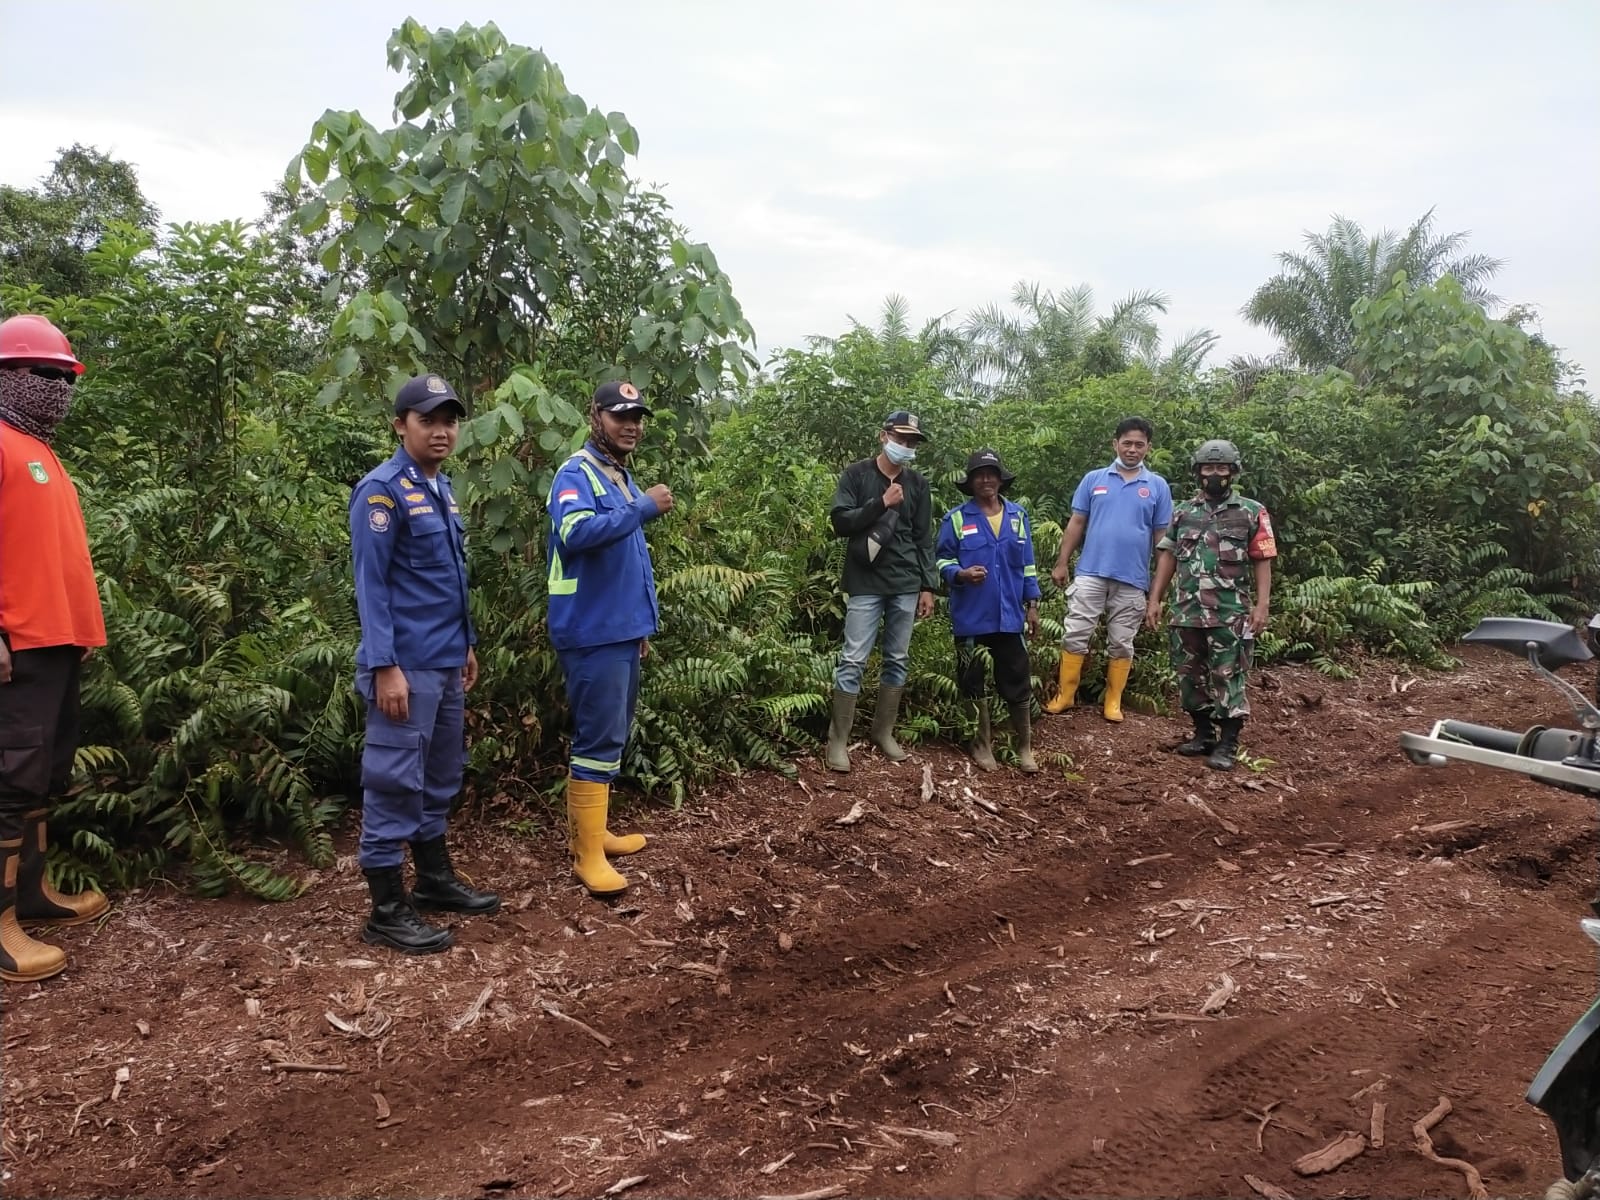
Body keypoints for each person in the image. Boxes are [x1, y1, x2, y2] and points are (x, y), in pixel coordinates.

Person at [350, 372, 499, 955]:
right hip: (406, 668)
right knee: (394, 781)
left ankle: (434, 879)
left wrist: (466, 643)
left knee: (439, 776)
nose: (441, 431)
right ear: (400, 425)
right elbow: (372, 586)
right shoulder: (381, 492)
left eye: (450, 421)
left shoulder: (441, 487)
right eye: (427, 420)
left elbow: (448, 581)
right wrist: (384, 665)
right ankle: (387, 910)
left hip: (445, 660)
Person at [0, 315, 109, 984]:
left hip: (56, 641)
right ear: (7, 375)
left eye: (66, 377)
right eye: (46, 374)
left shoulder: (36, 447)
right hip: (17, 646)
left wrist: (78, 632)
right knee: (9, 781)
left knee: (44, 776)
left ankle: (32, 894)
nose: (59, 388)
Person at [545, 379, 672, 899]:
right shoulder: (575, 474)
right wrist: (642, 507)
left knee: (612, 735)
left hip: (618, 629)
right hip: (590, 630)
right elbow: (575, 534)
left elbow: (627, 561)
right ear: (594, 415)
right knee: (596, 739)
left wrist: (638, 625)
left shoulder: (616, 476)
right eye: (620, 416)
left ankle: (596, 834)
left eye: (636, 417)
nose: (631, 426)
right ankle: (586, 855)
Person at [1145, 438, 1276, 772]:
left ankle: (1228, 742)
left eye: (1221, 468)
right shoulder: (1183, 512)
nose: (1214, 474)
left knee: (1228, 676)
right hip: (1187, 610)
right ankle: (1203, 734)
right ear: (1198, 471)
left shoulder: (1251, 511)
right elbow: (1168, 556)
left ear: (1233, 471)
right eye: (1208, 468)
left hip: (1230, 613)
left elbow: (1262, 558)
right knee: (1189, 676)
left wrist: (1262, 605)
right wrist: (1155, 599)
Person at [825, 411, 938, 773]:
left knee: (897, 658)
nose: (905, 446)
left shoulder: (918, 484)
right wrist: (881, 503)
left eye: (911, 442)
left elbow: (923, 538)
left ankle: (883, 731)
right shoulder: (856, 475)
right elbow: (841, 522)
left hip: (905, 582)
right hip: (865, 581)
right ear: (883, 436)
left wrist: (927, 586)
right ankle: (838, 740)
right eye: (900, 438)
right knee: (853, 659)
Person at [1045, 417, 1172, 722]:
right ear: (1115, 444)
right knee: (1076, 632)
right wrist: (1062, 562)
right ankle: (1065, 695)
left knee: (1122, 641)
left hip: (1133, 578)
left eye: (1139, 444)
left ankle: (1113, 701)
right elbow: (1077, 522)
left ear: (1148, 447)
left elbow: (1162, 540)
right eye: (1127, 443)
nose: (1132, 449)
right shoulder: (1094, 479)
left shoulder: (1157, 486)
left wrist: (1158, 591)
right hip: (1091, 571)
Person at [936, 449, 1041, 772]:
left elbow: (1027, 564)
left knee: (1016, 677)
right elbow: (941, 560)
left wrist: (1032, 604)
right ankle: (981, 744)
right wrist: (960, 574)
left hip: (1009, 615)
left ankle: (1023, 746)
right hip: (971, 616)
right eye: (979, 475)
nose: (986, 480)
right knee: (972, 679)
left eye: (991, 474)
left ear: (1000, 479)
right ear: (971, 482)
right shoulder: (956, 518)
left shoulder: (1018, 516)